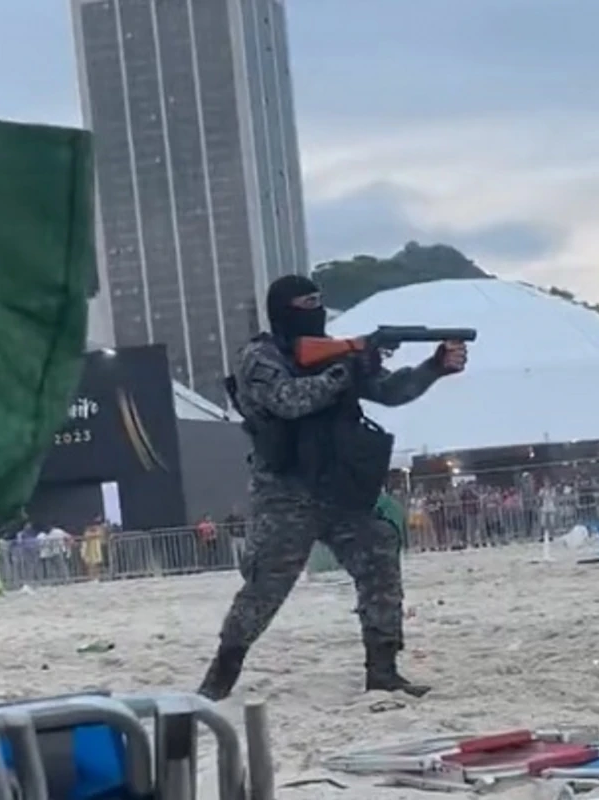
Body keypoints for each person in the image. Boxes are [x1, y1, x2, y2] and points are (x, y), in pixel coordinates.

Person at [197, 274, 468, 701]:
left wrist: (434, 367)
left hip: (338, 489)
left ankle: (383, 670)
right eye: (307, 303)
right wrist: (344, 371)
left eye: (320, 302)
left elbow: (389, 392)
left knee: (380, 555)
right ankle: (219, 677)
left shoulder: (334, 353)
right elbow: (288, 400)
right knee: (266, 587)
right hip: (285, 492)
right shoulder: (260, 357)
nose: (317, 311)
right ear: (285, 310)